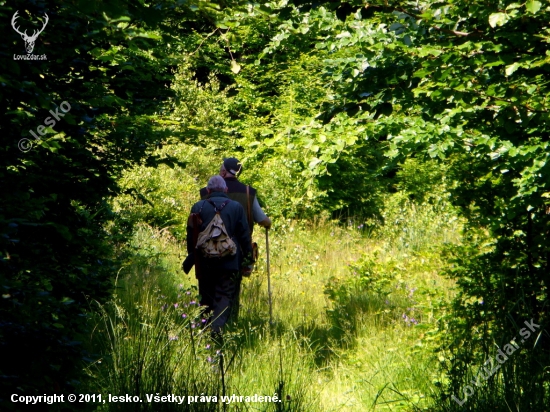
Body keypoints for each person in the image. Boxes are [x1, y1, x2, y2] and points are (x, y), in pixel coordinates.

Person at [185, 175, 252, 336]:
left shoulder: (198, 207)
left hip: (205, 261)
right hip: (229, 262)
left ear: (208, 190)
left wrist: (192, 257)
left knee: (206, 296)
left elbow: (191, 235)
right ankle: (217, 329)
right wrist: (248, 260)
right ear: (226, 190)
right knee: (224, 295)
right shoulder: (236, 207)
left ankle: (204, 332)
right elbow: (244, 236)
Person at [199, 157, 272, 234]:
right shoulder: (248, 192)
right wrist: (268, 223)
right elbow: (261, 219)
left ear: (223, 173)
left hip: (211, 244)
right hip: (240, 244)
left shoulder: (206, 191)